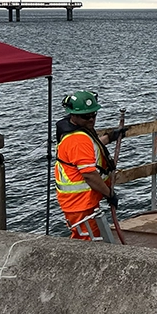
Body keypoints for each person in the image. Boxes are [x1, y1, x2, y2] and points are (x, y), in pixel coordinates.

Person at [54, 90, 123, 240]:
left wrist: (111, 137)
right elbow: (89, 175)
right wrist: (109, 194)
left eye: (94, 114)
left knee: (86, 238)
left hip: (82, 202)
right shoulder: (77, 140)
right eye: (86, 116)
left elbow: (91, 147)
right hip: (80, 203)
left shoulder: (77, 132)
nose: (91, 119)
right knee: (88, 242)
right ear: (73, 115)